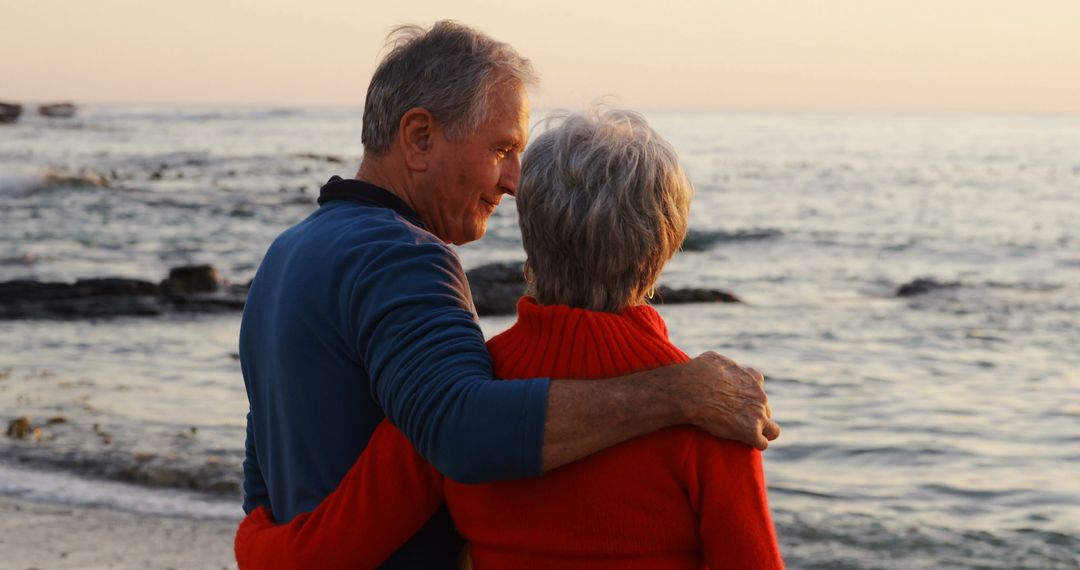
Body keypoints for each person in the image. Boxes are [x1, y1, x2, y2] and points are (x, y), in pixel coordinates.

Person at [238, 21, 779, 568]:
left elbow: (260, 462)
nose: (514, 181)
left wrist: (258, 545)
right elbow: (460, 431)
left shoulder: (284, 255)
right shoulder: (404, 257)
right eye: (501, 149)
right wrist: (678, 392)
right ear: (420, 137)